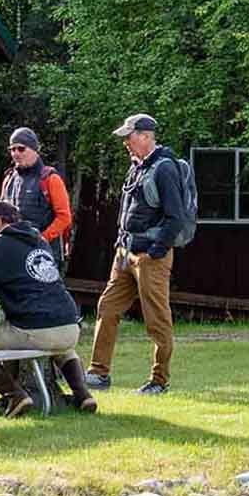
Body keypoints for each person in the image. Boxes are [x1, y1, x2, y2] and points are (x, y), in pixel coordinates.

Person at [0, 200, 97, 416]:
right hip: (70, 325)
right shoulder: (39, 240)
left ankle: (16, 396)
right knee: (64, 349)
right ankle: (83, 395)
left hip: (34, 328)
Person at [87, 113, 187, 395]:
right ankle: (98, 374)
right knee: (107, 308)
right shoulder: (137, 167)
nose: (125, 144)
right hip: (125, 254)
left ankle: (159, 381)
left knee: (156, 319)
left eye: (129, 137)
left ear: (145, 136)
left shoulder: (164, 168)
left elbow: (175, 217)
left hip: (150, 257)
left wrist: (156, 251)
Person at [0, 126, 73, 262]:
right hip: (13, 253)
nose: (16, 153)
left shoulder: (50, 178)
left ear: (35, 150)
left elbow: (64, 218)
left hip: (43, 255)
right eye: (12, 149)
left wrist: (41, 239)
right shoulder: (9, 178)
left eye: (21, 148)